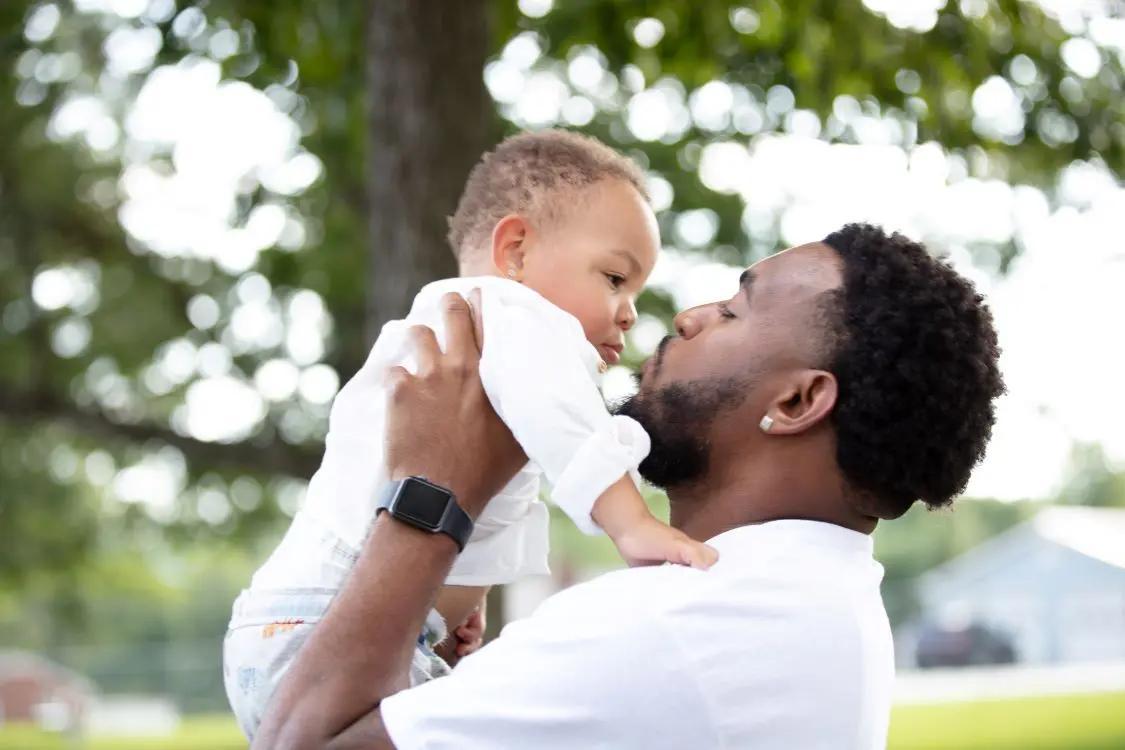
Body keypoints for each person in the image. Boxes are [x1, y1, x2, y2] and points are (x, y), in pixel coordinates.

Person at [252, 223, 1004, 749]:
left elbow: (298, 743)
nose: (686, 315)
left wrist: (430, 493)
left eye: (734, 309)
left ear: (798, 402)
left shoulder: (686, 618)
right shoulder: (803, 599)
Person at [223, 130, 717, 740]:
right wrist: (631, 522)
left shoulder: (481, 340)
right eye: (615, 277)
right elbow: (568, 422)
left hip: (298, 627)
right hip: (317, 628)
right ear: (515, 251)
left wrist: (457, 594)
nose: (630, 311)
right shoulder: (509, 311)